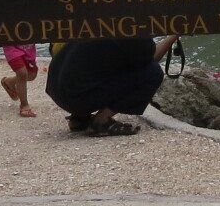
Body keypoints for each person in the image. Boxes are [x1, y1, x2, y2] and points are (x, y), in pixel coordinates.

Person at [44, 33, 181, 136]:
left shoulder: (106, 17)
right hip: (74, 97)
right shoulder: (134, 30)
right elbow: (150, 59)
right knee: (153, 73)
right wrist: (174, 35)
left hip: (55, 88)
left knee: (95, 61)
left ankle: (79, 119)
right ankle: (101, 122)